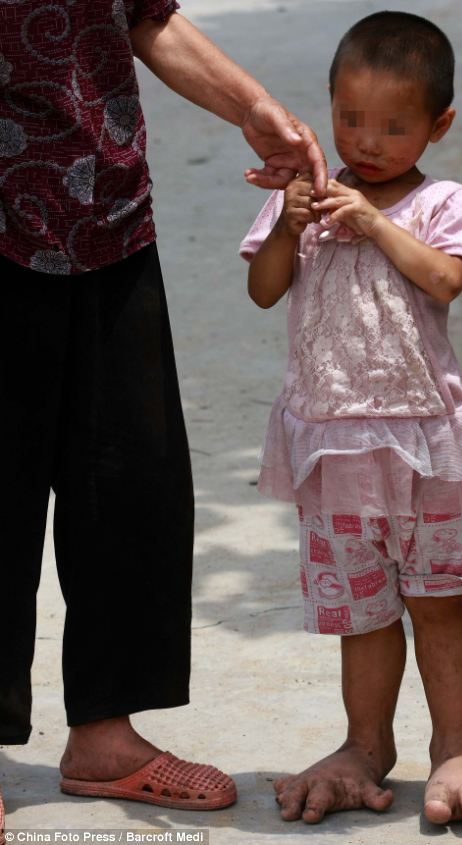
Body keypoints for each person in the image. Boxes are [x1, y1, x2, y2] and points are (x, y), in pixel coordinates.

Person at [0, 0, 326, 831]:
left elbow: (145, 16)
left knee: (132, 477)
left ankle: (105, 738)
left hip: (106, 212)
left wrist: (255, 108)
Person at [240, 11, 462, 825]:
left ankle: (455, 747)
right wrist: (289, 224)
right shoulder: (310, 198)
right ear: (329, 107)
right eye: (349, 120)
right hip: (332, 445)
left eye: (395, 126)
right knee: (363, 611)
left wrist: (373, 223)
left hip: (425, 445)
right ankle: (365, 744)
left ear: (438, 124)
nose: (367, 143)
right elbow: (265, 289)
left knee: (440, 598)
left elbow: (445, 280)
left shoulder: (443, 201)